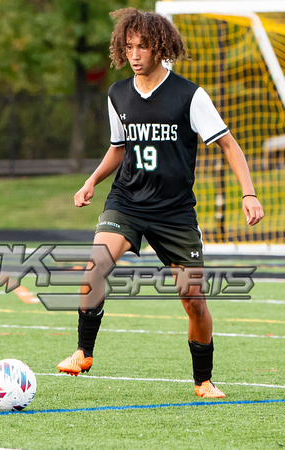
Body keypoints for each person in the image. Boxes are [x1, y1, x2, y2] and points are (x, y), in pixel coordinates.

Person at [57, 8, 264, 398]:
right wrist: (91, 181)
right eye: (128, 46)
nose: (134, 54)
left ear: (161, 47)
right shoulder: (117, 93)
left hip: (175, 213)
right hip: (127, 201)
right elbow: (118, 149)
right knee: (94, 268)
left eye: (143, 47)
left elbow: (229, 145)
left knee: (194, 301)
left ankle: (203, 379)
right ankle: (84, 352)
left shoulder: (189, 95)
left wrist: (248, 193)